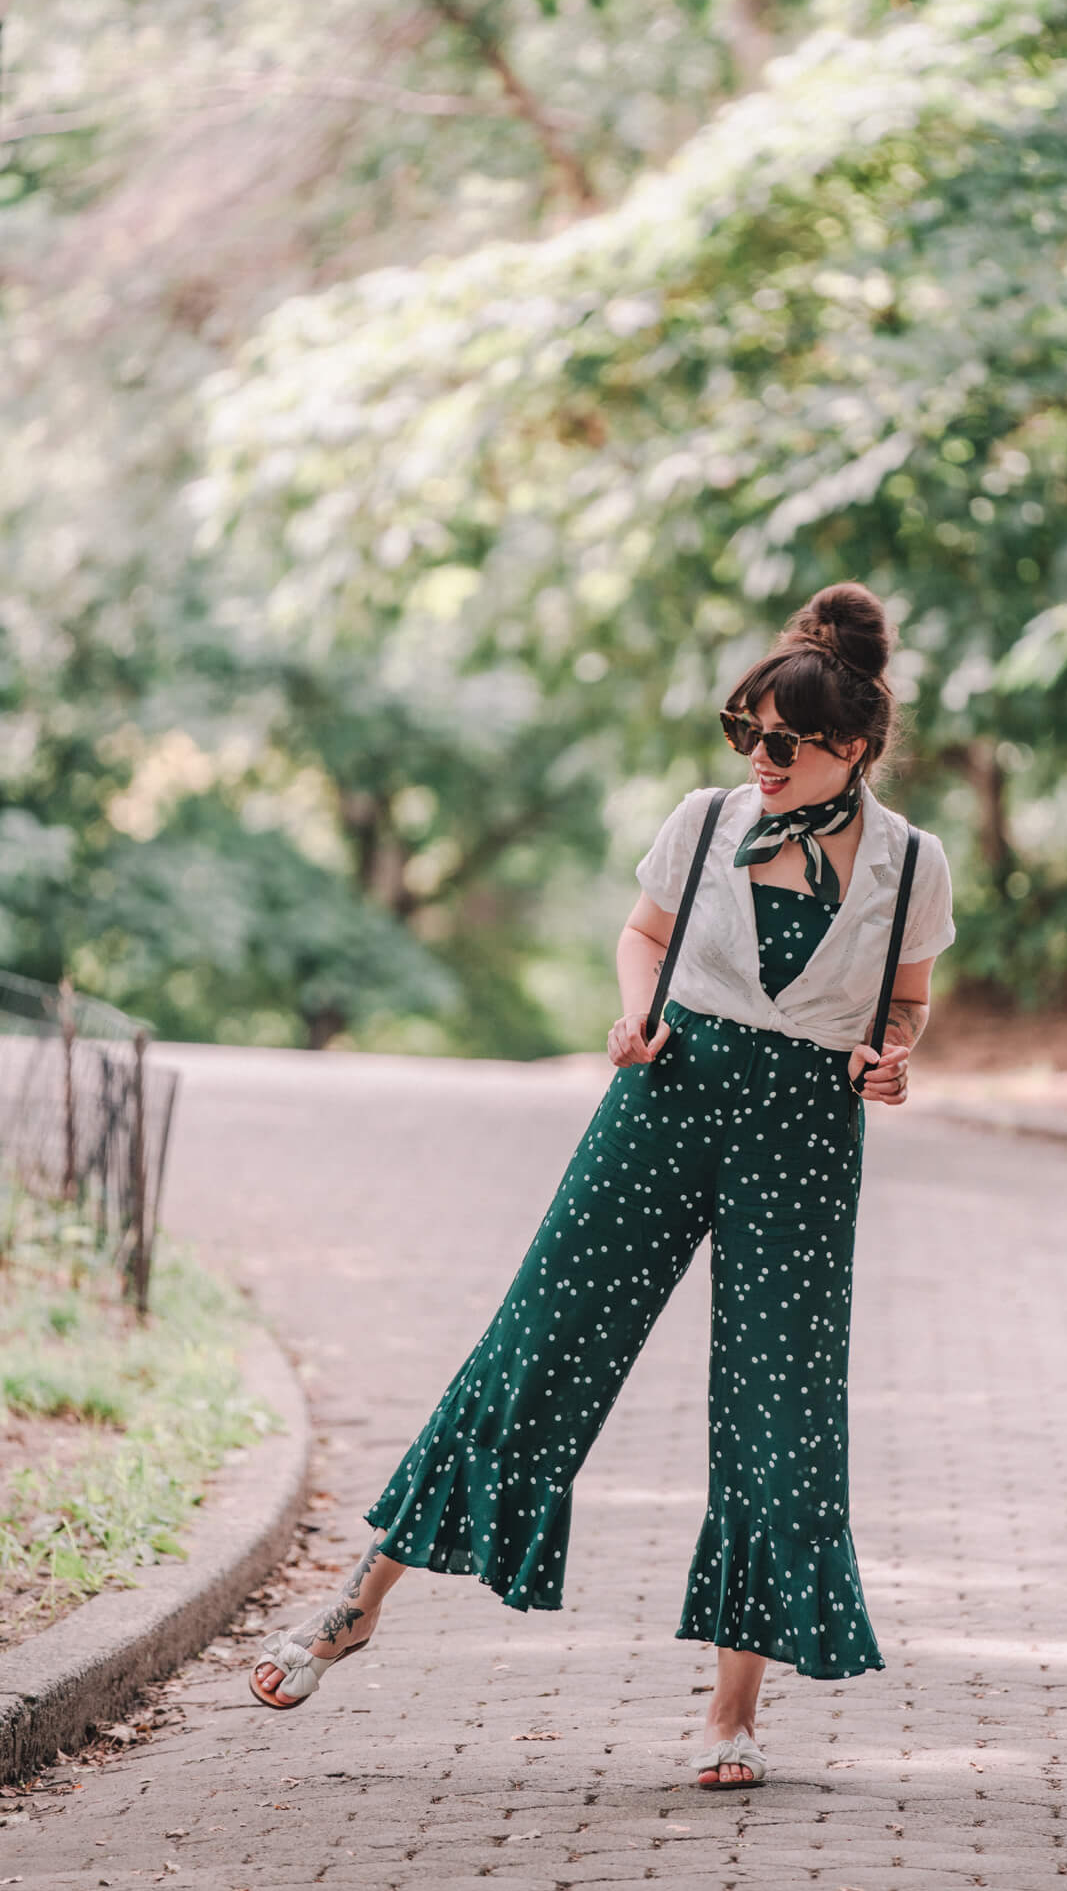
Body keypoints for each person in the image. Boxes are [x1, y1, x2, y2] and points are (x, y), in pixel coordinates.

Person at [248, 581, 955, 1791]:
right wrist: (632, 1018)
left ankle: (731, 1716)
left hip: (800, 1137)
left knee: (778, 1414)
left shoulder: (911, 864)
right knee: (542, 1343)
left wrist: (889, 1063)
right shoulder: (703, 820)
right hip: (667, 1092)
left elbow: (905, 1004)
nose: (756, 758)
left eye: (780, 743)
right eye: (744, 733)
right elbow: (643, 934)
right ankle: (356, 1602)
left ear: (850, 749)